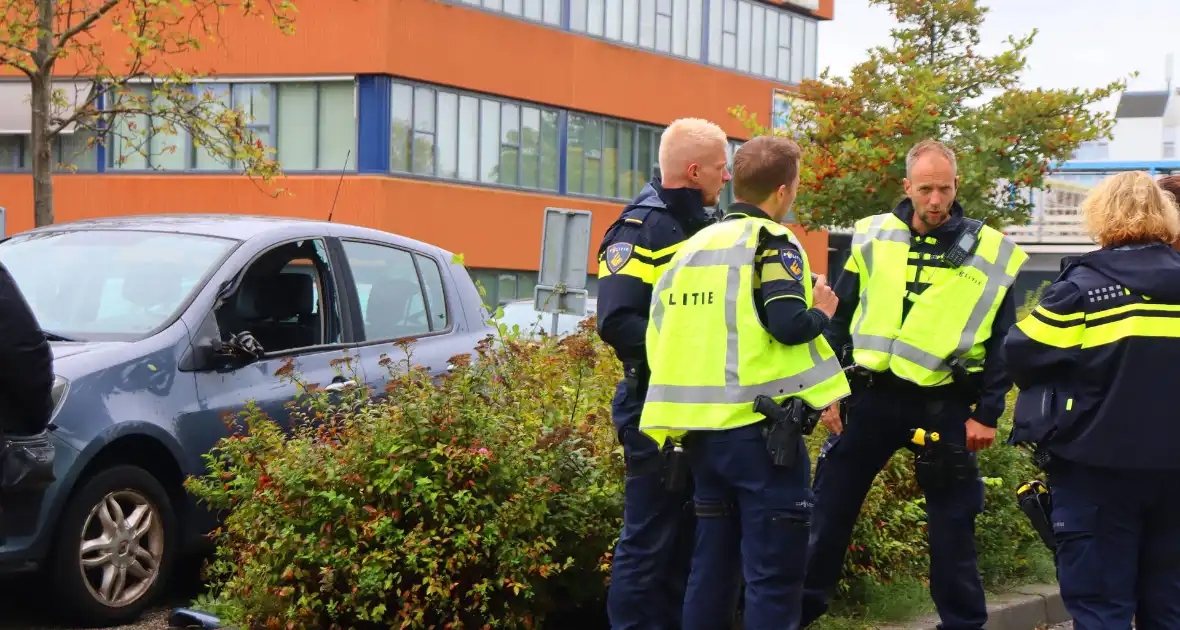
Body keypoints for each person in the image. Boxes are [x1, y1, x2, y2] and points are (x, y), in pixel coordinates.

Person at [800, 139, 1029, 630]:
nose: (935, 201)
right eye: (925, 189)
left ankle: (963, 624)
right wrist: (828, 392)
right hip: (870, 397)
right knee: (827, 514)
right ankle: (794, 616)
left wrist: (987, 412)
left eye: (944, 189)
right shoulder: (872, 237)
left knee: (953, 529)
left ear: (956, 186)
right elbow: (838, 324)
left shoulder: (989, 250)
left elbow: (1003, 342)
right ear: (907, 186)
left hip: (945, 404)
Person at [637, 134, 851, 630]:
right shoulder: (773, 243)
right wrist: (821, 311)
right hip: (762, 440)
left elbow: (659, 341)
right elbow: (787, 325)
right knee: (772, 580)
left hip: (700, 439)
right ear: (783, 190)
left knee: (710, 572)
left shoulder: (688, 251)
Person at [1004, 170, 1180, 629]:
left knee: (1102, 610)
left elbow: (1019, 353)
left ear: (1102, 216)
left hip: (1096, 475)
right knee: (1169, 609)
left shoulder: (1085, 290)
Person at [595, 117, 732, 630]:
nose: (726, 178)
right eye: (721, 168)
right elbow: (616, 322)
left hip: (701, 409)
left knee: (688, 541)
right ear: (695, 171)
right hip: (654, 408)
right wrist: (687, 353)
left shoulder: (709, 227)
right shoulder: (639, 229)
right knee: (647, 541)